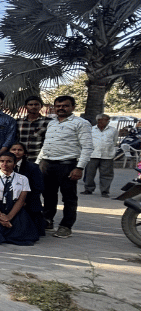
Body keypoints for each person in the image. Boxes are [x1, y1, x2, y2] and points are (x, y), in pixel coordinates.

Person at [37, 95, 92, 238]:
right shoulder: (52, 123)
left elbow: (87, 147)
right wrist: (38, 163)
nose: (61, 108)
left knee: (69, 197)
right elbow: (46, 145)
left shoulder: (81, 123)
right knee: (48, 195)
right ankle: (47, 220)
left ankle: (66, 226)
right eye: (58, 106)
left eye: (65, 106)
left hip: (67, 165)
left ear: (73, 107)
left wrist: (79, 168)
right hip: (47, 164)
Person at [0, 153, 39, 245]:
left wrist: (9, 217)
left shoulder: (23, 179)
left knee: (22, 234)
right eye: (2, 161)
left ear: (14, 163)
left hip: (14, 208)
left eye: (9, 161)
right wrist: (1, 216)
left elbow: (21, 200)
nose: (5, 164)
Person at [10, 142, 46, 236]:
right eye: (14, 149)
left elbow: (38, 187)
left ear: (24, 153)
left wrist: (23, 201)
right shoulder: (1, 165)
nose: (16, 152)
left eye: (19, 150)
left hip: (27, 200)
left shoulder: (32, 167)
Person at [83, 113, 117, 197]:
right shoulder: (91, 129)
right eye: (106, 119)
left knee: (107, 174)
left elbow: (114, 141)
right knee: (89, 173)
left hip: (107, 155)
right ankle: (88, 189)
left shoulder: (113, 130)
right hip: (93, 154)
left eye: (108, 120)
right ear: (99, 120)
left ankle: (105, 191)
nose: (108, 121)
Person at [16, 96, 51, 162]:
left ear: (41, 106)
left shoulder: (48, 122)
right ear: (26, 107)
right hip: (21, 158)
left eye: (36, 104)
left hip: (40, 158)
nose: (33, 107)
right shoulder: (18, 122)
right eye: (30, 105)